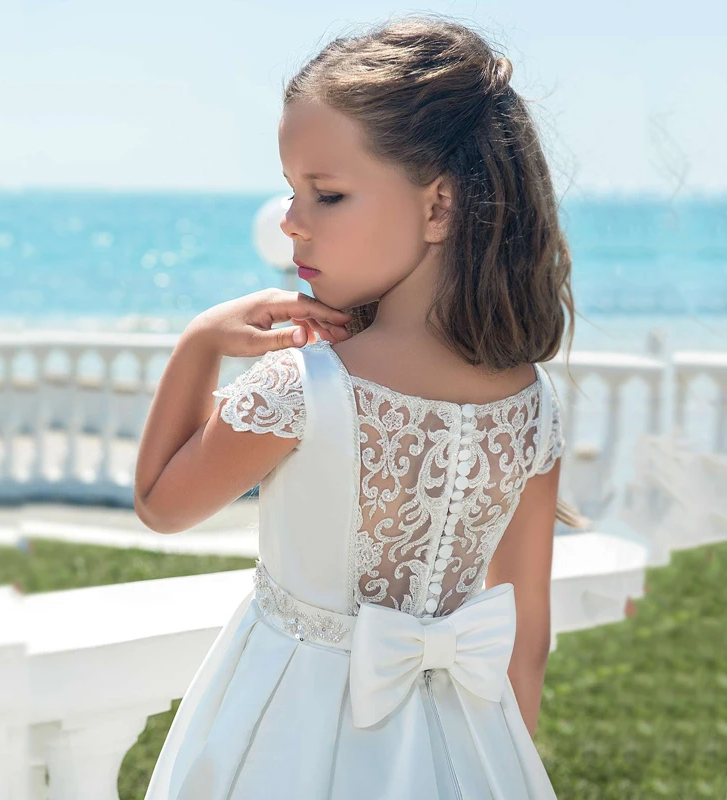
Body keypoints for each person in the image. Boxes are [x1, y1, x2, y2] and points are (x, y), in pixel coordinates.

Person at [135, 13, 584, 799]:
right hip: (467, 741)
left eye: (328, 194)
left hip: (280, 736)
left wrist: (199, 345)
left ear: (439, 207)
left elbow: (160, 505)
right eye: (291, 191)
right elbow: (527, 642)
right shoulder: (534, 403)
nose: (291, 222)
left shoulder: (301, 389)